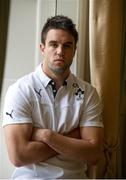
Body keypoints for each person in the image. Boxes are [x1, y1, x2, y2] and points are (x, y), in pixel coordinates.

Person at [3, 15, 104, 179]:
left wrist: (46, 136)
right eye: (53, 44)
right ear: (42, 48)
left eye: (67, 45)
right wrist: (71, 139)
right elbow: (19, 156)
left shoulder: (88, 93)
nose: (60, 51)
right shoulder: (20, 90)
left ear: (74, 50)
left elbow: (94, 155)